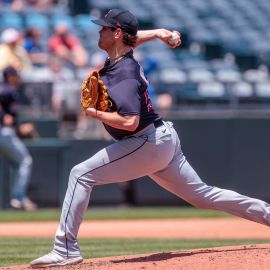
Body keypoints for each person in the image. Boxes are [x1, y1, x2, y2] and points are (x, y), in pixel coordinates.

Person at [30, 9, 270, 268]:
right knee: (203, 196)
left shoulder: (123, 73)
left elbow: (130, 121)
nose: (99, 31)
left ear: (117, 33)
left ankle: (65, 249)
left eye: (104, 28)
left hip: (145, 141)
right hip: (161, 138)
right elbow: (130, 40)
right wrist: (157, 33)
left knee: (80, 174)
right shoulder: (122, 56)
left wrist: (93, 112)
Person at [0, 66, 37, 211]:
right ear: (10, 77)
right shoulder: (7, 89)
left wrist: (18, 127)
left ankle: (17, 198)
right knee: (25, 161)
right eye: (16, 75)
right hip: (4, 133)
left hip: (6, 132)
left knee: (18, 163)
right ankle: (19, 197)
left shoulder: (8, 90)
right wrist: (4, 118)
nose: (18, 77)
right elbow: (7, 118)